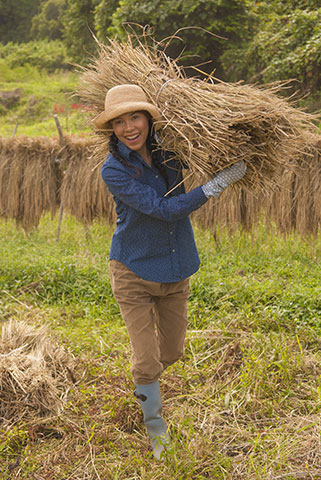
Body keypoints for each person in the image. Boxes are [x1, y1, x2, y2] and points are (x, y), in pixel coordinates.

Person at [93, 84, 246, 460]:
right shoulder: (113, 169)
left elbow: (210, 145)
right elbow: (162, 209)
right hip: (133, 270)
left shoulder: (172, 152)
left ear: (148, 118)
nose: (129, 127)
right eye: (119, 121)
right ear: (111, 127)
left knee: (172, 352)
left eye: (135, 117)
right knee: (146, 361)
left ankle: (146, 384)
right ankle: (156, 428)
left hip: (176, 269)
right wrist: (214, 187)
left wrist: (237, 144)